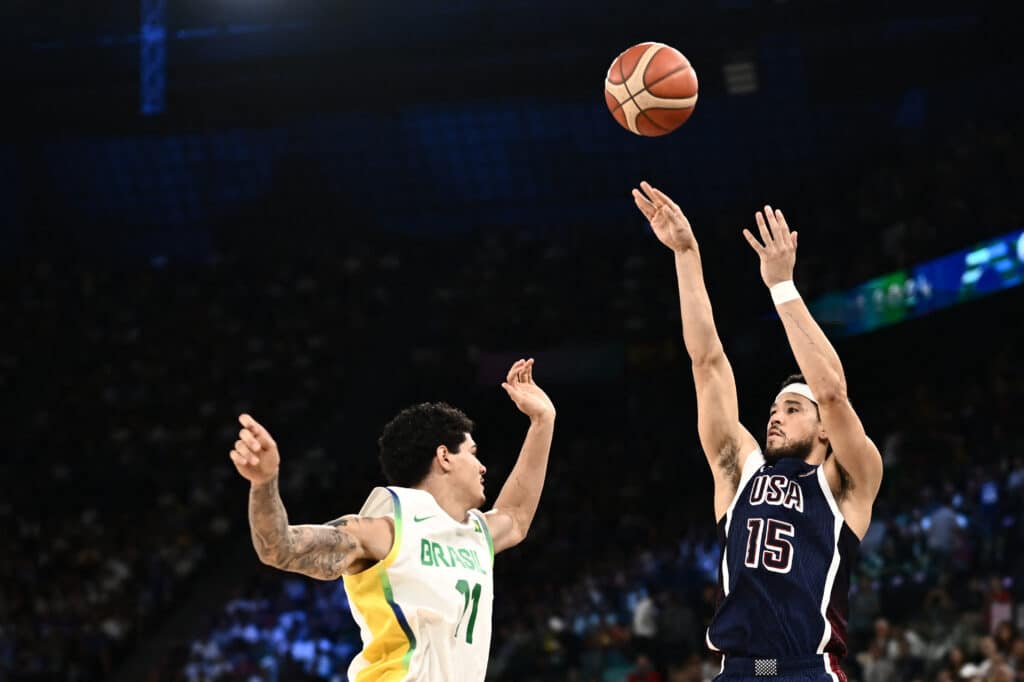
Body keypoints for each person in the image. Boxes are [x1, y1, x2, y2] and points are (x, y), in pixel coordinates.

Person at [633, 182, 883, 681]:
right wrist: (686, 253)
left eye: (791, 408)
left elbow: (832, 392)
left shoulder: (847, 481)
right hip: (735, 671)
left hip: (809, 670)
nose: (774, 416)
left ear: (825, 432)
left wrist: (781, 287)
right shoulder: (741, 472)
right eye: (774, 408)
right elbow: (707, 363)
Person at [228, 358, 556, 681]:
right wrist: (264, 482)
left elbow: (516, 516)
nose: (483, 467)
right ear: (444, 456)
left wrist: (543, 422)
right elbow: (279, 548)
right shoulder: (388, 527)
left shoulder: (474, 534)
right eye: (472, 453)